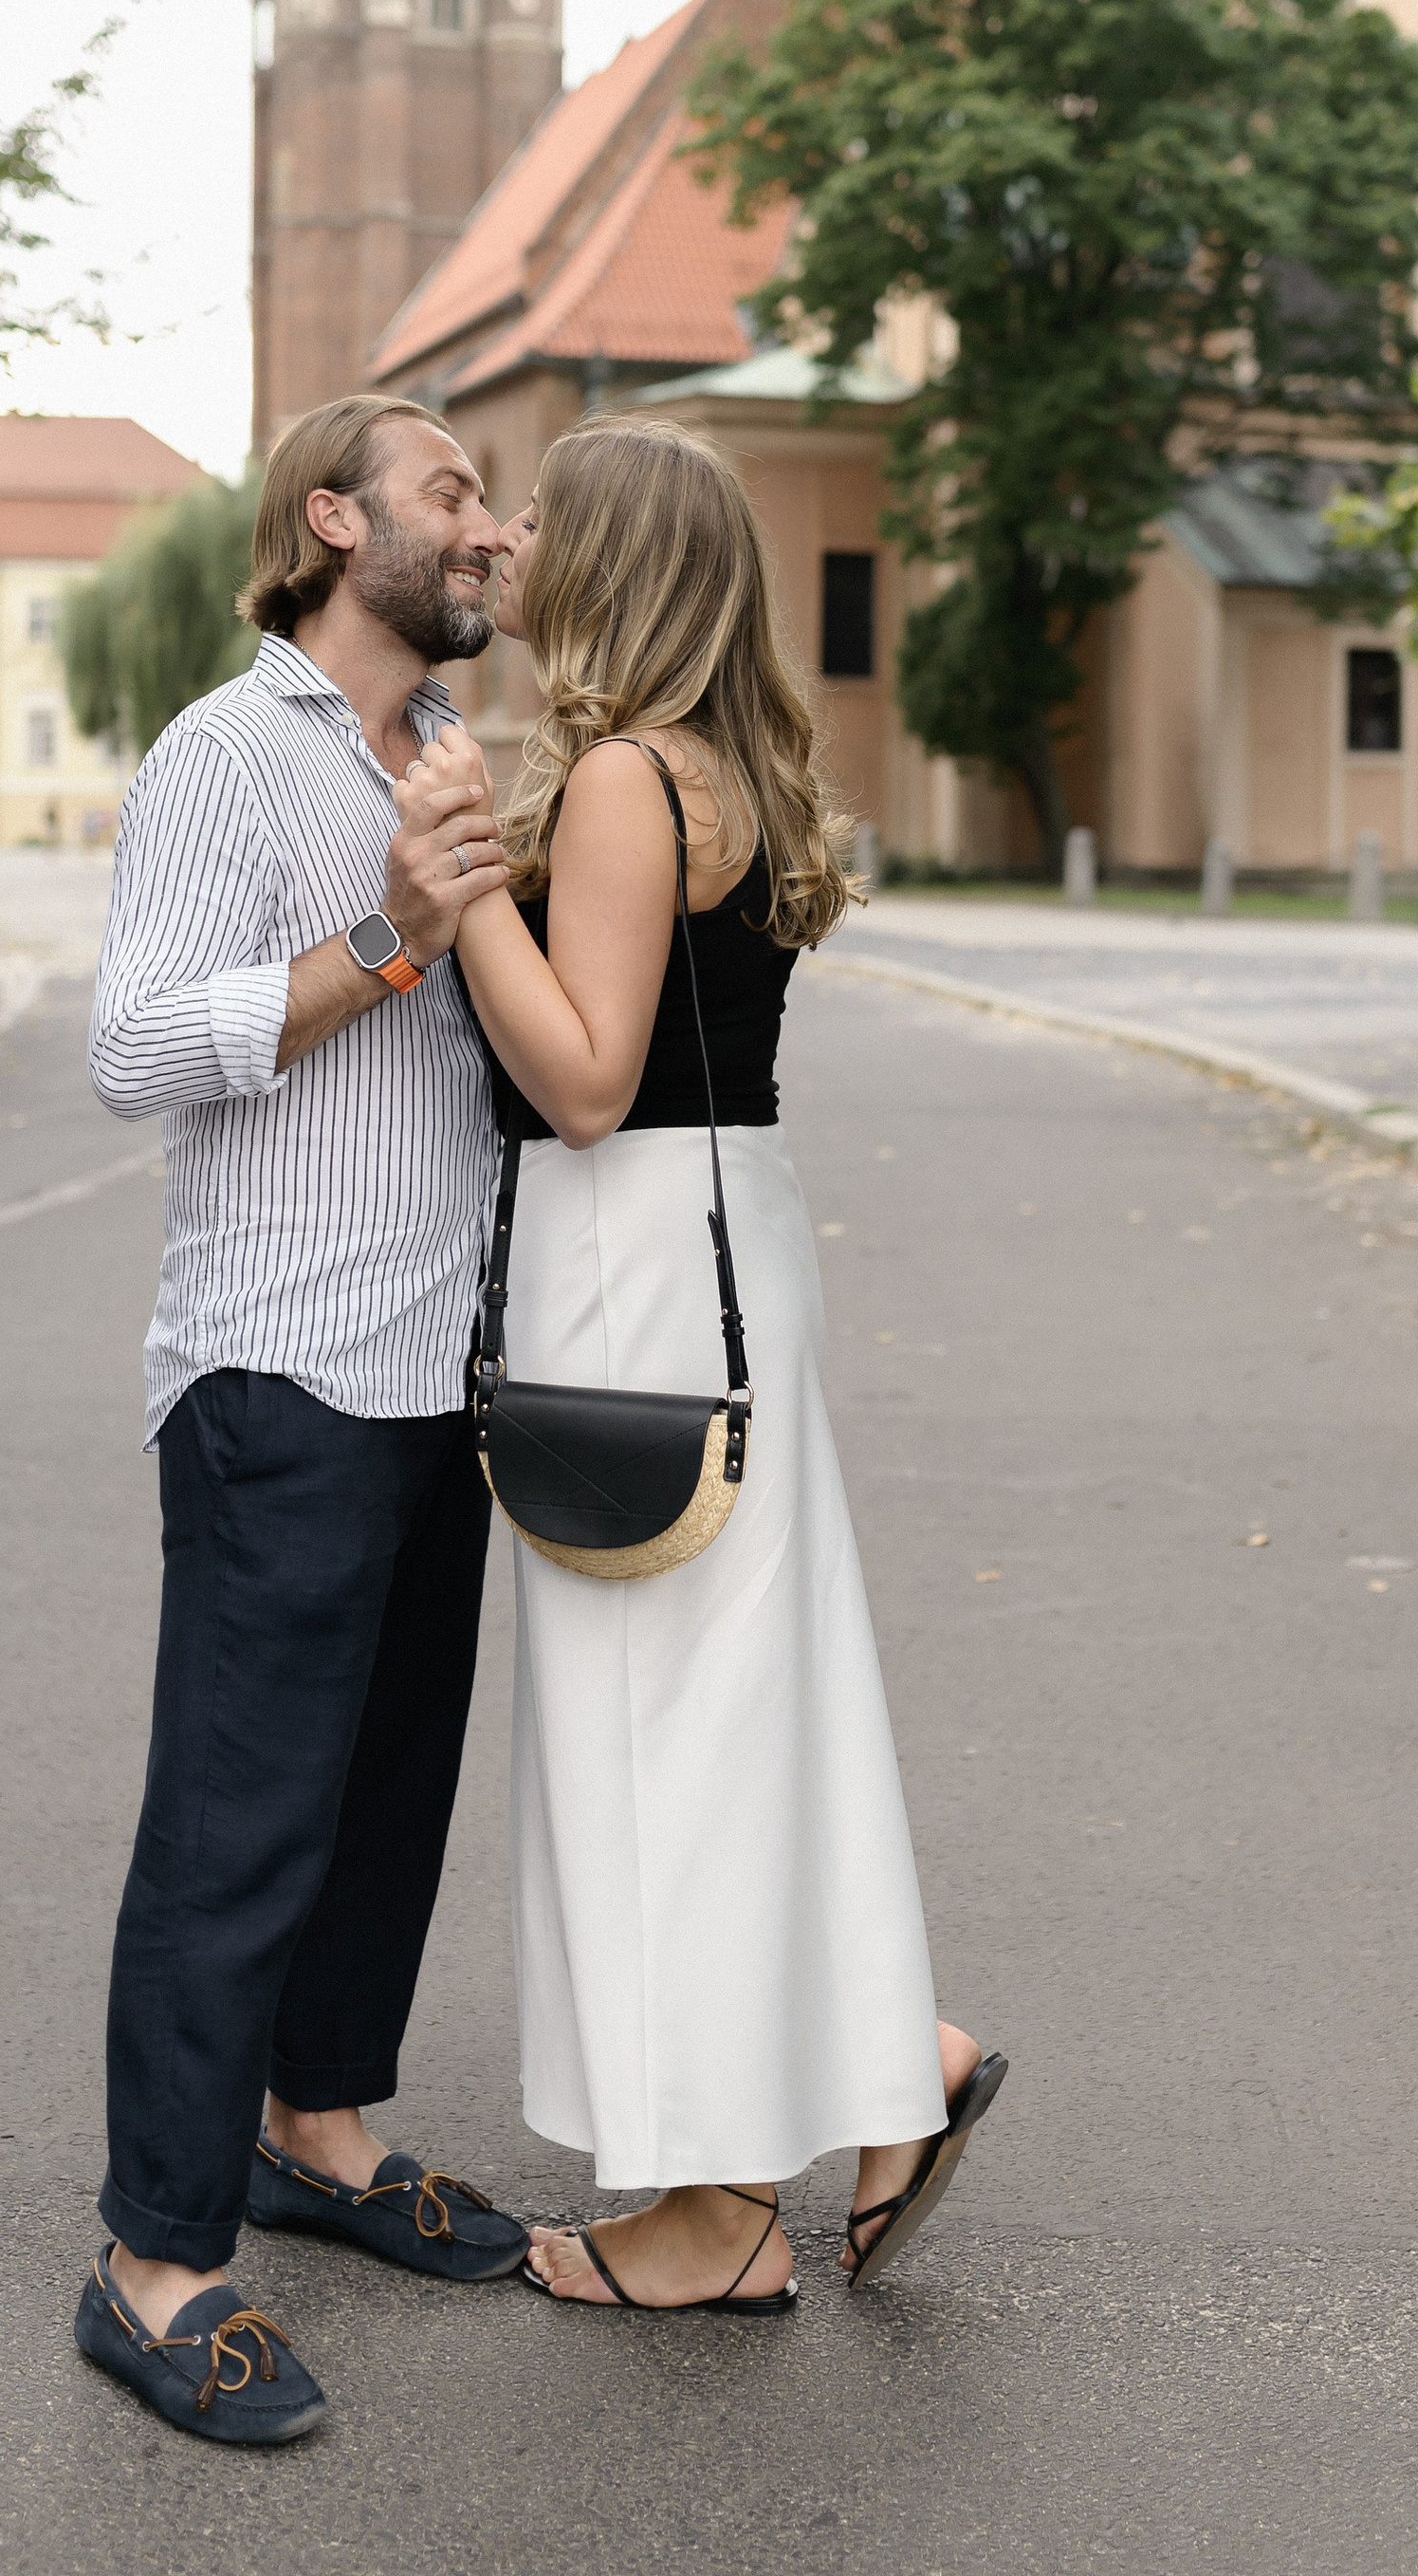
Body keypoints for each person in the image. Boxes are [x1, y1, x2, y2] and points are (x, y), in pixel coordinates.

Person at [416, 417, 1005, 2313]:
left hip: (633, 1254)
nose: (507, 546)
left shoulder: (609, 783)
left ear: (604, 562)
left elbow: (581, 1081)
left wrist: (460, 897)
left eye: (538, 525)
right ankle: (877, 2063)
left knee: (644, 1739)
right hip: (732, 1233)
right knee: (749, 1710)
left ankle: (710, 2212)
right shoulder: (727, 765)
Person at [71, 395, 526, 2446]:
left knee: (383, 1800)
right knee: (235, 1830)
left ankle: (316, 2134)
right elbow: (138, 1044)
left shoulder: (444, 753)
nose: (486, 528)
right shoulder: (221, 753)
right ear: (334, 522)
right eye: (452, 493)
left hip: (443, 1367)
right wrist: (394, 932)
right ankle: (157, 2259)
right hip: (275, 1364)